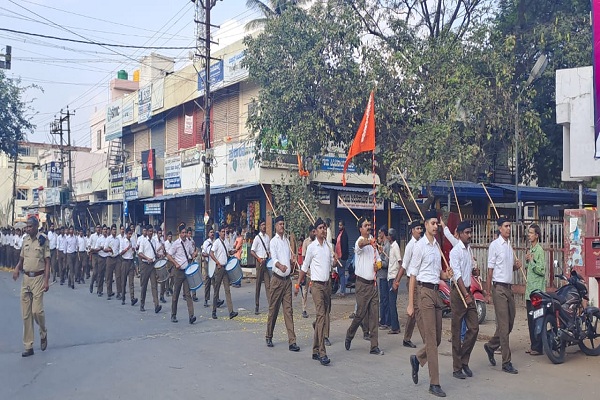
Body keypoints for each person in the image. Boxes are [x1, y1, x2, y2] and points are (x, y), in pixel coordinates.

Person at [407, 210, 454, 398]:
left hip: (436, 292)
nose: (436, 226)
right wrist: (411, 304)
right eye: (433, 223)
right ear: (425, 224)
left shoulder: (437, 247)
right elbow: (412, 276)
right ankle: (434, 383)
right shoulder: (419, 247)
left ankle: (417, 359)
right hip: (424, 293)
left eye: (437, 223)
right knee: (431, 341)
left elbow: (438, 274)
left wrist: (446, 275)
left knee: (437, 339)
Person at [483, 217, 522, 374]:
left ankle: (491, 346)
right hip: (498, 288)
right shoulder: (495, 245)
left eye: (509, 226)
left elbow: (506, 268)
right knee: (504, 326)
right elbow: (490, 270)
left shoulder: (508, 246)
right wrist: (487, 292)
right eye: (506, 226)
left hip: (508, 288)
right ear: (499, 228)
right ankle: (506, 362)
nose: (508, 229)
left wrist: (515, 267)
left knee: (510, 322)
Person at [295, 217, 334, 365]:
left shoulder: (328, 246)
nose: (323, 230)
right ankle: (322, 353)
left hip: (327, 284)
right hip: (316, 285)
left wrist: (335, 261)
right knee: (321, 316)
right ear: (315, 231)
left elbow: (331, 264)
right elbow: (304, 267)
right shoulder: (312, 247)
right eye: (320, 228)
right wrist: (298, 285)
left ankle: (315, 350)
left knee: (323, 316)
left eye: (324, 228)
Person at [12, 217, 50, 357]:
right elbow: (22, 259)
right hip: (26, 279)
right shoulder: (25, 240)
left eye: (30, 226)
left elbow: (47, 262)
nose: (27, 229)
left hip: (39, 278)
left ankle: (43, 331)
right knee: (26, 315)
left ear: (36, 226)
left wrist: (46, 281)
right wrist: (17, 268)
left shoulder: (43, 240)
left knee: (37, 311)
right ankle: (28, 346)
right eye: (27, 227)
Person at [345, 217, 383, 355]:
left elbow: (378, 260)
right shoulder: (360, 241)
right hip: (361, 285)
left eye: (369, 224)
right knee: (360, 314)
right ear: (360, 228)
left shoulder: (373, 243)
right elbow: (361, 244)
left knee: (374, 315)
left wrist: (378, 265)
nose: (368, 227)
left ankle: (374, 346)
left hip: (373, 284)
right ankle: (350, 334)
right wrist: (370, 242)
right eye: (365, 225)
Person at [449, 220, 479, 380]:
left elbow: (468, 272)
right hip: (458, 293)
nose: (469, 235)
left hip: (468, 290)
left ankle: (463, 359)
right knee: (456, 331)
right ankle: (456, 367)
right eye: (466, 232)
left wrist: (475, 271)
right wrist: (465, 294)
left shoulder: (469, 250)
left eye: (470, 232)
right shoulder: (455, 251)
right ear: (459, 234)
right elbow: (457, 274)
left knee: (474, 328)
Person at [265, 215, 299, 351]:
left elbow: (288, 258)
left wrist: (291, 262)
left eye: (283, 224)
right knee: (273, 309)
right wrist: (280, 266)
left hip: (287, 281)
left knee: (288, 310)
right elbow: (273, 259)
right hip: (277, 279)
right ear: (275, 226)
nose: (282, 226)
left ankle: (292, 341)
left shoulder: (286, 241)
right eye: (279, 224)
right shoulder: (273, 242)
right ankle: (269, 335)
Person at [399, 220, 423, 348]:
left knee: (418, 309)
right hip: (411, 280)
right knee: (415, 309)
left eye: (421, 228)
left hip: (420, 281)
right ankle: (409, 338)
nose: (420, 230)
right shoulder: (410, 246)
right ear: (412, 230)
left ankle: (408, 337)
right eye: (418, 228)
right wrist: (397, 281)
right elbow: (404, 265)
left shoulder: (422, 244)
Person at [167, 225, 196, 324]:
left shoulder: (188, 242)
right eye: (182, 233)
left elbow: (191, 253)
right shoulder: (175, 244)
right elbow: (169, 255)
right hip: (178, 272)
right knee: (176, 294)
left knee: (188, 294)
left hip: (187, 271)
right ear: (179, 233)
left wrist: (194, 254)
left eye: (185, 232)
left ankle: (191, 315)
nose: (184, 234)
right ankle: (173, 314)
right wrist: (175, 264)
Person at [525, 223, 546, 356]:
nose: (529, 235)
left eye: (531, 233)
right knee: (531, 320)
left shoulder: (539, 251)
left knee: (538, 320)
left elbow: (541, 270)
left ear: (537, 235)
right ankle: (534, 345)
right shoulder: (531, 250)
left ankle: (539, 347)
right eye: (529, 233)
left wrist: (531, 261)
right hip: (529, 292)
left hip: (537, 292)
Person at [210, 226, 238, 319]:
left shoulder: (226, 241)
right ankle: (214, 311)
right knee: (216, 290)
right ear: (219, 233)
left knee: (227, 289)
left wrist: (233, 251)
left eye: (224, 232)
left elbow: (228, 252)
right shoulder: (217, 242)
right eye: (222, 232)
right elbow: (211, 253)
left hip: (225, 267)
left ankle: (231, 311)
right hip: (219, 267)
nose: (223, 233)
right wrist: (217, 262)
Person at [137, 225, 162, 314]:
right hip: (145, 265)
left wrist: (158, 256)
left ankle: (156, 305)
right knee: (144, 285)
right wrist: (147, 258)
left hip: (152, 265)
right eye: (149, 231)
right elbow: (140, 253)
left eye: (152, 231)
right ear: (147, 232)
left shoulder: (154, 241)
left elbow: (154, 252)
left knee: (154, 285)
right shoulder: (143, 241)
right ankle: (142, 304)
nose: (151, 233)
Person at [251, 219, 270, 315]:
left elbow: (269, 250)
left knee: (268, 285)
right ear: (259, 227)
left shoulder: (267, 237)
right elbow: (252, 251)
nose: (264, 226)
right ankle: (257, 305)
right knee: (258, 284)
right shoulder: (257, 238)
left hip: (266, 261)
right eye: (262, 225)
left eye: (264, 225)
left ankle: (271, 305)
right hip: (260, 262)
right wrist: (258, 259)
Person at [202, 228, 222, 308]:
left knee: (215, 281)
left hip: (214, 263)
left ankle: (216, 299)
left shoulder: (215, 242)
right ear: (208, 234)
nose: (212, 234)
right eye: (210, 232)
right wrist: (210, 255)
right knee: (208, 281)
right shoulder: (206, 243)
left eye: (213, 232)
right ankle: (206, 300)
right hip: (208, 263)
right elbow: (204, 253)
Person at [387, 228, 401, 334]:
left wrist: (396, 280)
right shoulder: (392, 247)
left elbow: (400, 263)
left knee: (392, 303)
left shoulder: (395, 247)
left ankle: (395, 327)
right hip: (390, 276)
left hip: (393, 277)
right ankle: (393, 324)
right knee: (390, 302)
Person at [300, 225, 316, 319]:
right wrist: (305, 270)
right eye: (313, 231)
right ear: (310, 232)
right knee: (305, 290)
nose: (314, 233)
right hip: (308, 269)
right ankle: (304, 309)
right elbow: (303, 257)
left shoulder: (317, 242)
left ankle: (316, 309)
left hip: (315, 270)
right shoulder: (306, 242)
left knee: (314, 290)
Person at [119, 228, 138, 306]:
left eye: (131, 234)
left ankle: (132, 298)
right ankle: (123, 297)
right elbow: (121, 252)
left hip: (131, 261)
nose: (130, 235)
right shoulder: (123, 241)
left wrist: (134, 249)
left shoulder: (132, 241)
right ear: (126, 234)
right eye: (129, 234)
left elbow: (134, 250)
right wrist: (127, 248)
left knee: (131, 282)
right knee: (124, 281)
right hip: (125, 261)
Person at [377, 227, 391, 330]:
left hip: (384, 276)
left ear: (383, 233)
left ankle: (386, 321)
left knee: (385, 299)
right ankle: (382, 320)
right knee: (382, 299)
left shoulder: (387, 246)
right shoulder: (382, 245)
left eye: (379, 233)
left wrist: (379, 263)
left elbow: (387, 262)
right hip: (380, 275)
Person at [334, 219, 349, 297]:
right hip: (338, 257)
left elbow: (345, 247)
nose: (339, 226)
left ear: (343, 226)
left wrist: (342, 257)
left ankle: (343, 291)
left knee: (342, 274)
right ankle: (341, 289)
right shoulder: (339, 234)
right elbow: (336, 242)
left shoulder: (344, 235)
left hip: (342, 257)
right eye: (339, 225)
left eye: (341, 225)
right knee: (340, 274)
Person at [105, 225, 121, 299]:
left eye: (115, 229)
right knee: (109, 276)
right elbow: (105, 248)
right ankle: (109, 292)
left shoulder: (118, 239)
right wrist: (109, 250)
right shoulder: (108, 239)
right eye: (113, 229)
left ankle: (119, 292)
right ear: (111, 230)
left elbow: (119, 249)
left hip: (117, 258)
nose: (114, 231)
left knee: (118, 276)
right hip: (110, 258)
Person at [94, 226, 109, 296]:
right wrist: (101, 248)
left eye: (106, 229)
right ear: (102, 231)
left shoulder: (109, 239)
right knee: (100, 275)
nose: (105, 231)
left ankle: (109, 291)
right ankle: (99, 290)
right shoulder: (99, 239)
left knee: (108, 275)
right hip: (101, 257)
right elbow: (96, 249)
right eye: (104, 229)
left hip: (108, 258)